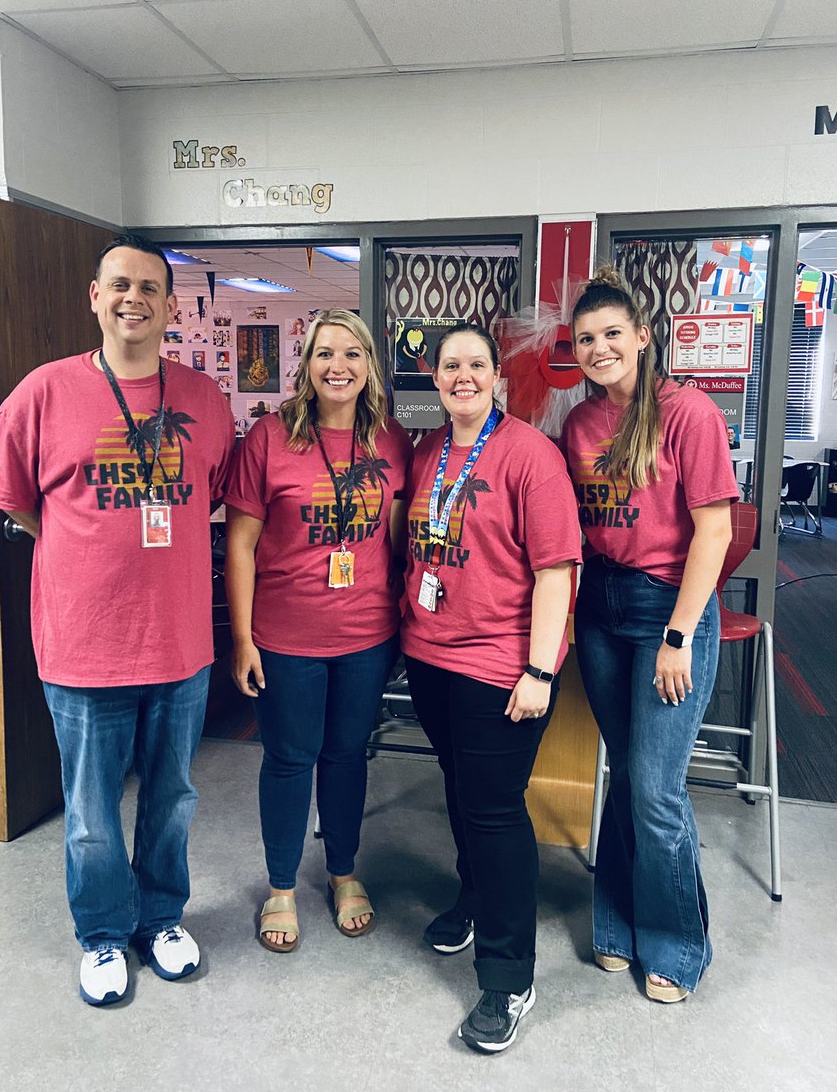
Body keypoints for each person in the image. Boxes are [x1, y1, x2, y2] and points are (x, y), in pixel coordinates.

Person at [0, 234, 235, 1007]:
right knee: (91, 812)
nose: (134, 298)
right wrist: (86, 546)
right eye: (119, 284)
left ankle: (160, 918)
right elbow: (19, 503)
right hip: (83, 646)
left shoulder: (203, 399)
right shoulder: (42, 393)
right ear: (94, 296)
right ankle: (100, 934)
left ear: (171, 306)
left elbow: (211, 494)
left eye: (151, 288)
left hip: (180, 643)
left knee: (173, 799)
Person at [559, 267, 738, 1004]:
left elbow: (716, 530)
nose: (599, 348)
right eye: (586, 339)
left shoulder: (687, 413)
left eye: (611, 334)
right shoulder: (579, 423)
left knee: (658, 789)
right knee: (627, 772)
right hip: (601, 606)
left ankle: (675, 944)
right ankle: (618, 925)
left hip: (671, 610)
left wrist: (677, 635)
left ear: (641, 336)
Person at [401, 322, 581, 1054]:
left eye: (477, 364)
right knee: (458, 785)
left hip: (501, 664)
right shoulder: (426, 451)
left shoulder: (531, 456)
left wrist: (539, 670)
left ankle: (508, 976)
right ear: (435, 378)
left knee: (496, 808)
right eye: (451, 365)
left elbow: (555, 571)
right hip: (430, 654)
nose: (464, 376)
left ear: (497, 376)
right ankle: (472, 898)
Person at [225, 308, 412, 953]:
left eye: (353, 354)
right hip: (285, 638)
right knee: (288, 759)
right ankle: (280, 887)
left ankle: (342, 871)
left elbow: (396, 538)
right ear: (306, 366)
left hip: (367, 635)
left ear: (370, 367)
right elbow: (241, 544)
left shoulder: (391, 441)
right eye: (326, 354)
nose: (339, 367)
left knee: (345, 756)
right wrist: (244, 638)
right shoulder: (270, 438)